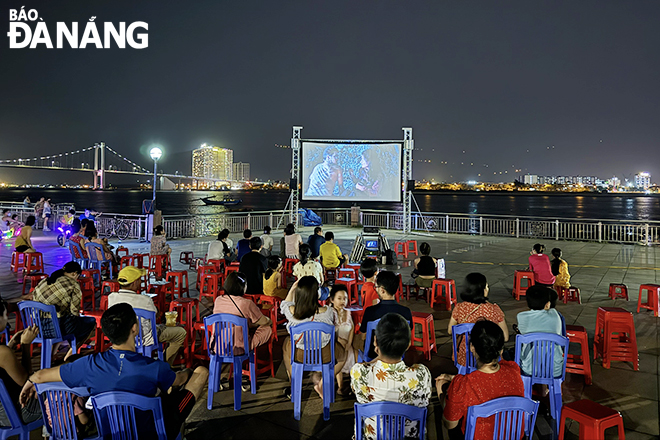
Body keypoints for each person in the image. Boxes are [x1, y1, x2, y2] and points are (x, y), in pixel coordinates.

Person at [20, 303, 209, 440]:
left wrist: (31, 381)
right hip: (154, 432)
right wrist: (190, 371)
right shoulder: (154, 367)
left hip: (110, 432)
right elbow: (179, 379)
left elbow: (41, 375)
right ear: (134, 329)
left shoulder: (89, 364)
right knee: (200, 373)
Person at [438, 320, 525, 440]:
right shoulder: (513, 370)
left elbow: (449, 423)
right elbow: (489, 379)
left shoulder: (463, 384)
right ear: (500, 351)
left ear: (472, 347)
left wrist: (442, 395)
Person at [351, 313, 432, 440]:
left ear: (375, 341)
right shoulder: (421, 374)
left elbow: (357, 384)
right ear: (408, 344)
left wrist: (377, 356)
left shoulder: (359, 372)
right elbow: (425, 399)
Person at [280, 277, 344, 400]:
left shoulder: (293, 313)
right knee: (343, 355)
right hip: (324, 355)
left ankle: (293, 385)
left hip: (300, 355)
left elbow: (284, 305)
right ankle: (324, 380)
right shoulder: (329, 311)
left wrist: (293, 288)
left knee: (286, 344)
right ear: (317, 294)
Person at [107, 266, 186, 366]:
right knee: (180, 333)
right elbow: (156, 315)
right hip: (145, 339)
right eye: (139, 280)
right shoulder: (145, 300)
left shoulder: (112, 297)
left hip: (122, 338)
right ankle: (165, 365)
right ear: (135, 282)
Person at [32, 262, 97, 360]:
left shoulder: (45, 280)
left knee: (61, 317)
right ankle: (69, 355)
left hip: (37, 327)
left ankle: (52, 355)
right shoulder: (73, 284)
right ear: (75, 274)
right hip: (55, 329)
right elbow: (74, 311)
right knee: (90, 322)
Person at [447, 273, 509, 366]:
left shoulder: (459, 308)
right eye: (486, 287)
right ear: (483, 291)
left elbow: (450, 331)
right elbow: (505, 337)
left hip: (464, 358)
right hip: (488, 357)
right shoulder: (493, 309)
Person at [353, 271, 412, 361]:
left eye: (376, 287)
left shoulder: (370, 311)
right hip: (397, 356)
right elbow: (408, 336)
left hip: (373, 356)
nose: (375, 289)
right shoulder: (406, 312)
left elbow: (363, 336)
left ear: (382, 290)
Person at [0, 299, 41, 428]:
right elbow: (25, 381)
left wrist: (11, 345)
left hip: (4, 411)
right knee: (57, 396)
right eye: (6, 315)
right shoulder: (3, 353)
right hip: (13, 414)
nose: (7, 319)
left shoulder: (4, 352)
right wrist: (25, 345)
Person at [212, 272, 272, 355]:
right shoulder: (246, 303)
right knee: (267, 328)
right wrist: (270, 321)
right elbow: (264, 321)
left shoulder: (218, 300)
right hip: (239, 348)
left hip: (218, 347)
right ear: (243, 287)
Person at [516, 285, 564, 377]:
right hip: (554, 369)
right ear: (547, 304)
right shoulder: (555, 315)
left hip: (529, 368)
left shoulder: (521, 317)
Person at [329, 284, 355, 394]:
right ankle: (340, 386)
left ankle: (353, 386)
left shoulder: (348, 312)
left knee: (355, 357)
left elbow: (352, 328)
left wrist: (349, 343)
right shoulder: (330, 313)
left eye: (345, 298)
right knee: (338, 358)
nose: (342, 301)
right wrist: (339, 341)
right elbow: (329, 331)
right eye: (339, 298)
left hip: (347, 345)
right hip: (334, 345)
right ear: (332, 300)